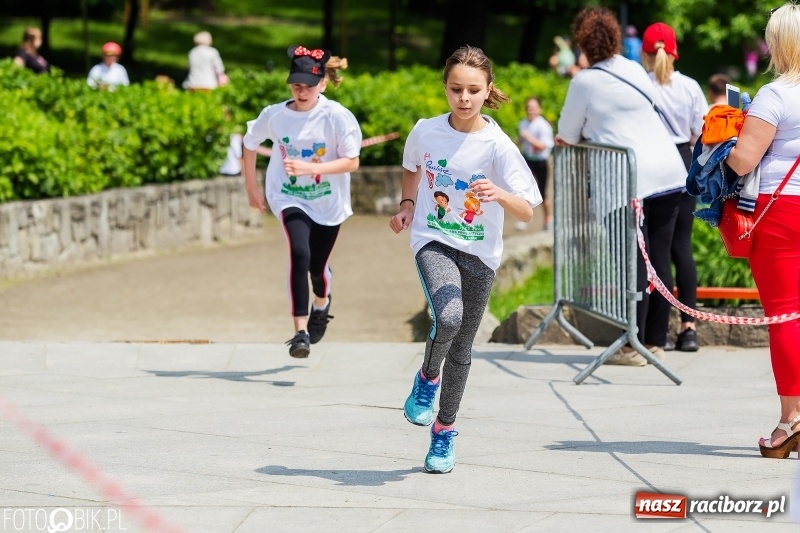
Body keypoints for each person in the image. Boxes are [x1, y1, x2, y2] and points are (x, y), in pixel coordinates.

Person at [390, 45, 542, 473]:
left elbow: (528, 208)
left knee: (463, 348)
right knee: (450, 317)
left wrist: (499, 194)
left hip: (480, 253)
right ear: (445, 88)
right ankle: (426, 379)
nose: (464, 98)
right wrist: (406, 203)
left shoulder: (499, 146)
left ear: (487, 90)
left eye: (473, 90)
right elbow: (412, 166)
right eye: (456, 89)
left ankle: (444, 431)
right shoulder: (426, 130)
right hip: (432, 239)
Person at [555, 7, 686, 366]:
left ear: (583, 44)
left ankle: (631, 345)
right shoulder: (633, 69)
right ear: (615, 38)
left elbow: (566, 135)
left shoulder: (583, 81)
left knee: (632, 264)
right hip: (667, 171)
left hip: (625, 181)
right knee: (659, 258)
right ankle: (655, 340)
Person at [242, 46, 362, 358]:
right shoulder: (275, 116)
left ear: (322, 83)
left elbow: (352, 162)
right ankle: (300, 332)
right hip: (287, 195)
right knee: (299, 252)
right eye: (296, 85)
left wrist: (313, 168)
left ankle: (322, 303)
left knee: (318, 269)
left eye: (309, 85)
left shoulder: (336, 116)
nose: (302, 91)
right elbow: (249, 142)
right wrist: (252, 188)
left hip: (328, 202)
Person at [725, 3, 800, 459]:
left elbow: (743, 160)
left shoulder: (775, 95)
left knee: (786, 316)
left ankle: (790, 420)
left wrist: (728, 136)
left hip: (782, 212)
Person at [640, 22, 708, 352]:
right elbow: (702, 132)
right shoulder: (691, 87)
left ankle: (657, 331)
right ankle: (688, 328)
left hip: (650, 166)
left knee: (654, 251)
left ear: (644, 52)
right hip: (682, 162)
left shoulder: (639, 85)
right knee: (682, 246)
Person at [517, 96, 554, 231]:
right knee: (523, 190)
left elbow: (544, 146)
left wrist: (529, 138)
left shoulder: (543, 126)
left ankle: (548, 219)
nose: (530, 111)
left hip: (541, 162)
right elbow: (520, 140)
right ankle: (523, 218)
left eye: (533, 108)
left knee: (543, 192)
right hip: (527, 159)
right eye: (528, 108)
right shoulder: (523, 123)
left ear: (539, 109)